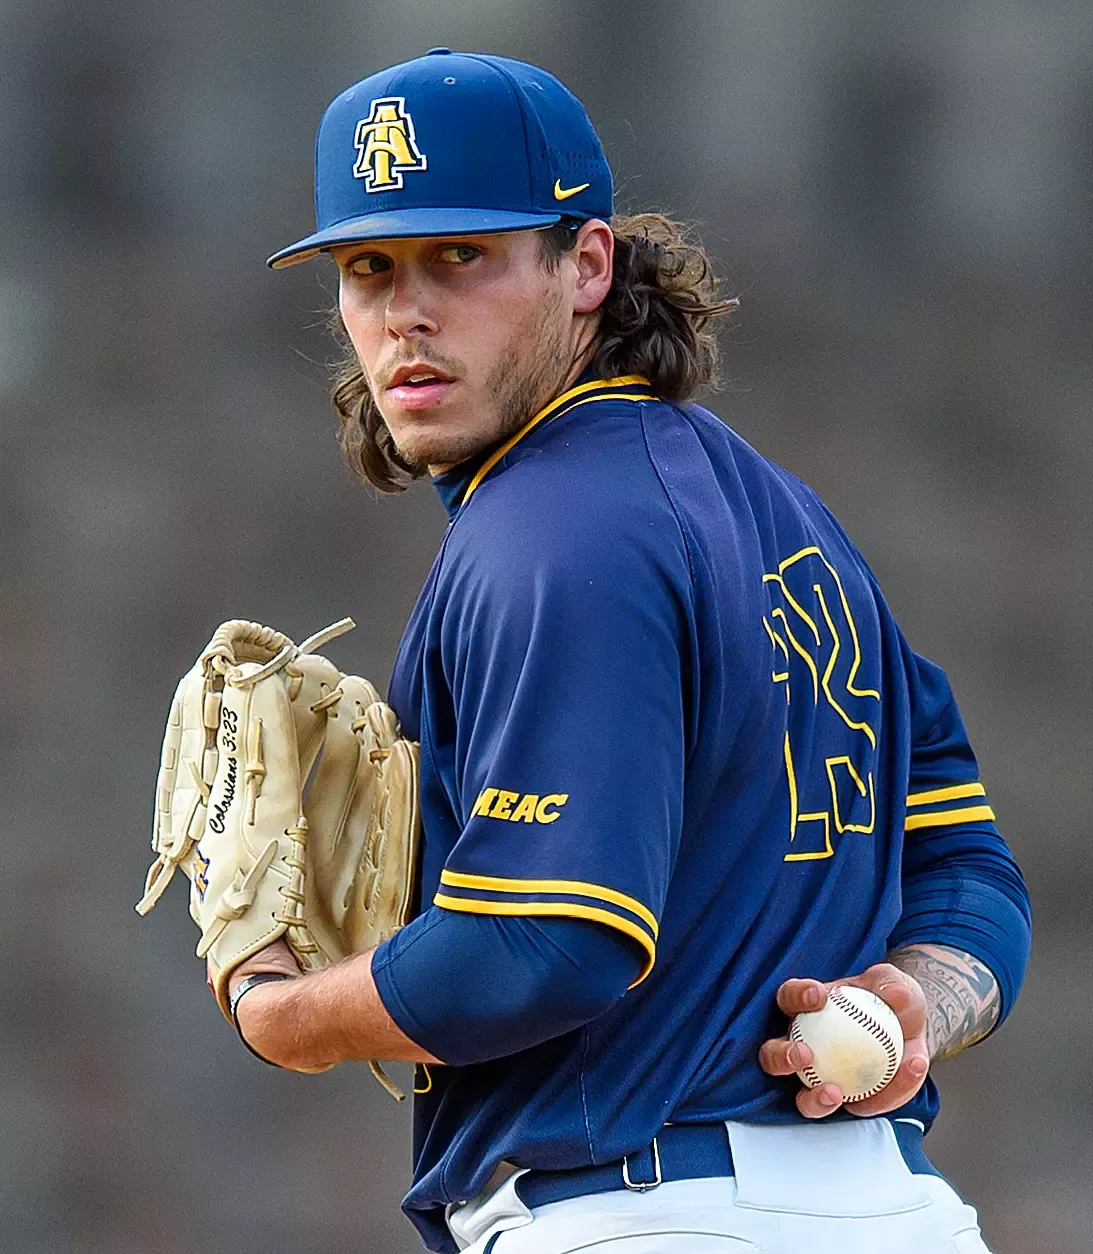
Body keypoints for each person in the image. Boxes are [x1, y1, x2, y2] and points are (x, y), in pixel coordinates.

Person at [230, 49, 1031, 1253]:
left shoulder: (552, 531)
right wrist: (921, 994)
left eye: (462, 256)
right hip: (893, 1212)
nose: (405, 311)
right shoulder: (788, 518)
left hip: (645, 1218)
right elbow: (968, 870)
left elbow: (543, 947)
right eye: (368, 268)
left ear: (586, 263)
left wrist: (283, 1014)